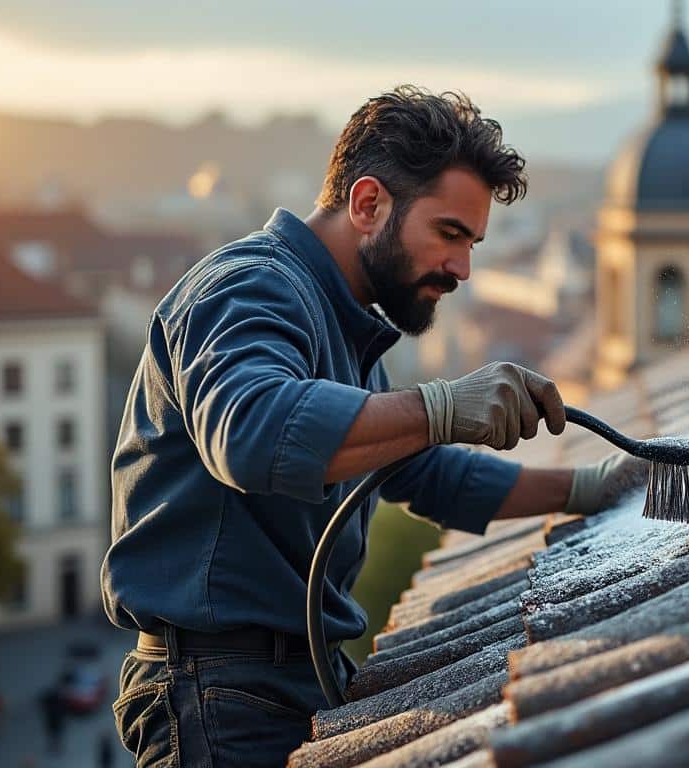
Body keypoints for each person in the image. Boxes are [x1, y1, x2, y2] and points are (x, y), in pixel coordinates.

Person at [102, 86, 643, 767]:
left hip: (286, 683)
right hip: (217, 695)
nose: (462, 269)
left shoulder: (342, 323)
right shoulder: (249, 287)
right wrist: (443, 407)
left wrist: (593, 487)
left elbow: (428, 473)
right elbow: (253, 433)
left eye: (472, 244)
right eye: (449, 234)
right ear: (367, 205)